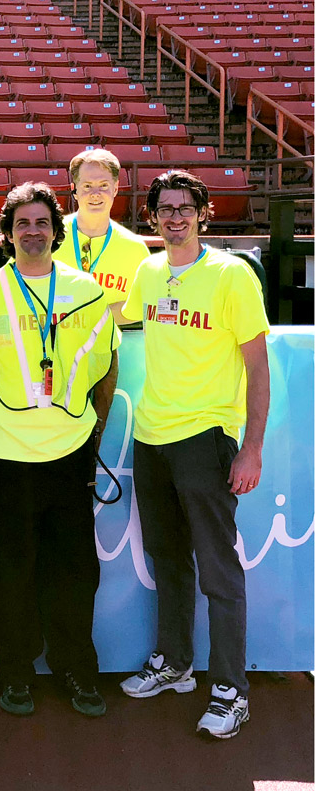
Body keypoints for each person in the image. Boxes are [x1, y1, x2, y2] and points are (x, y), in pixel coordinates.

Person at [0, 182, 120, 719]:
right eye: (22, 223)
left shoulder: (87, 290)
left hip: (71, 455)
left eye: (42, 223)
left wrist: (93, 433)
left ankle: (77, 669)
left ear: (57, 230)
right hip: (8, 456)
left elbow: (107, 364)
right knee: (14, 572)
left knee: (76, 571)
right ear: (8, 232)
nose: (33, 232)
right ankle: (17, 674)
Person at [118, 170, 270, 740]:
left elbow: (258, 368)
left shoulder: (233, 275)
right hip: (152, 437)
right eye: (165, 209)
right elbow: (117, 317)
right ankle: (177, 664)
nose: (174, 217)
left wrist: (250, 448)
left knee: (217, 569)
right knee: (167, 558)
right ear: (152, 218)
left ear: (203, 214)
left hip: (206, 439)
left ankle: (231, 690)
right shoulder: (148, 272)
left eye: (185, 208)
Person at [52, 148, 151, 325]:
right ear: (74, 190)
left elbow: (144, 306)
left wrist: (92, 317)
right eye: (87, 186)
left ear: (116, 188)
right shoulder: (49, 239)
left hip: (113, 349)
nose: (95, 193)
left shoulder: (135, 248)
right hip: (55, 346)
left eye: (104, 185)